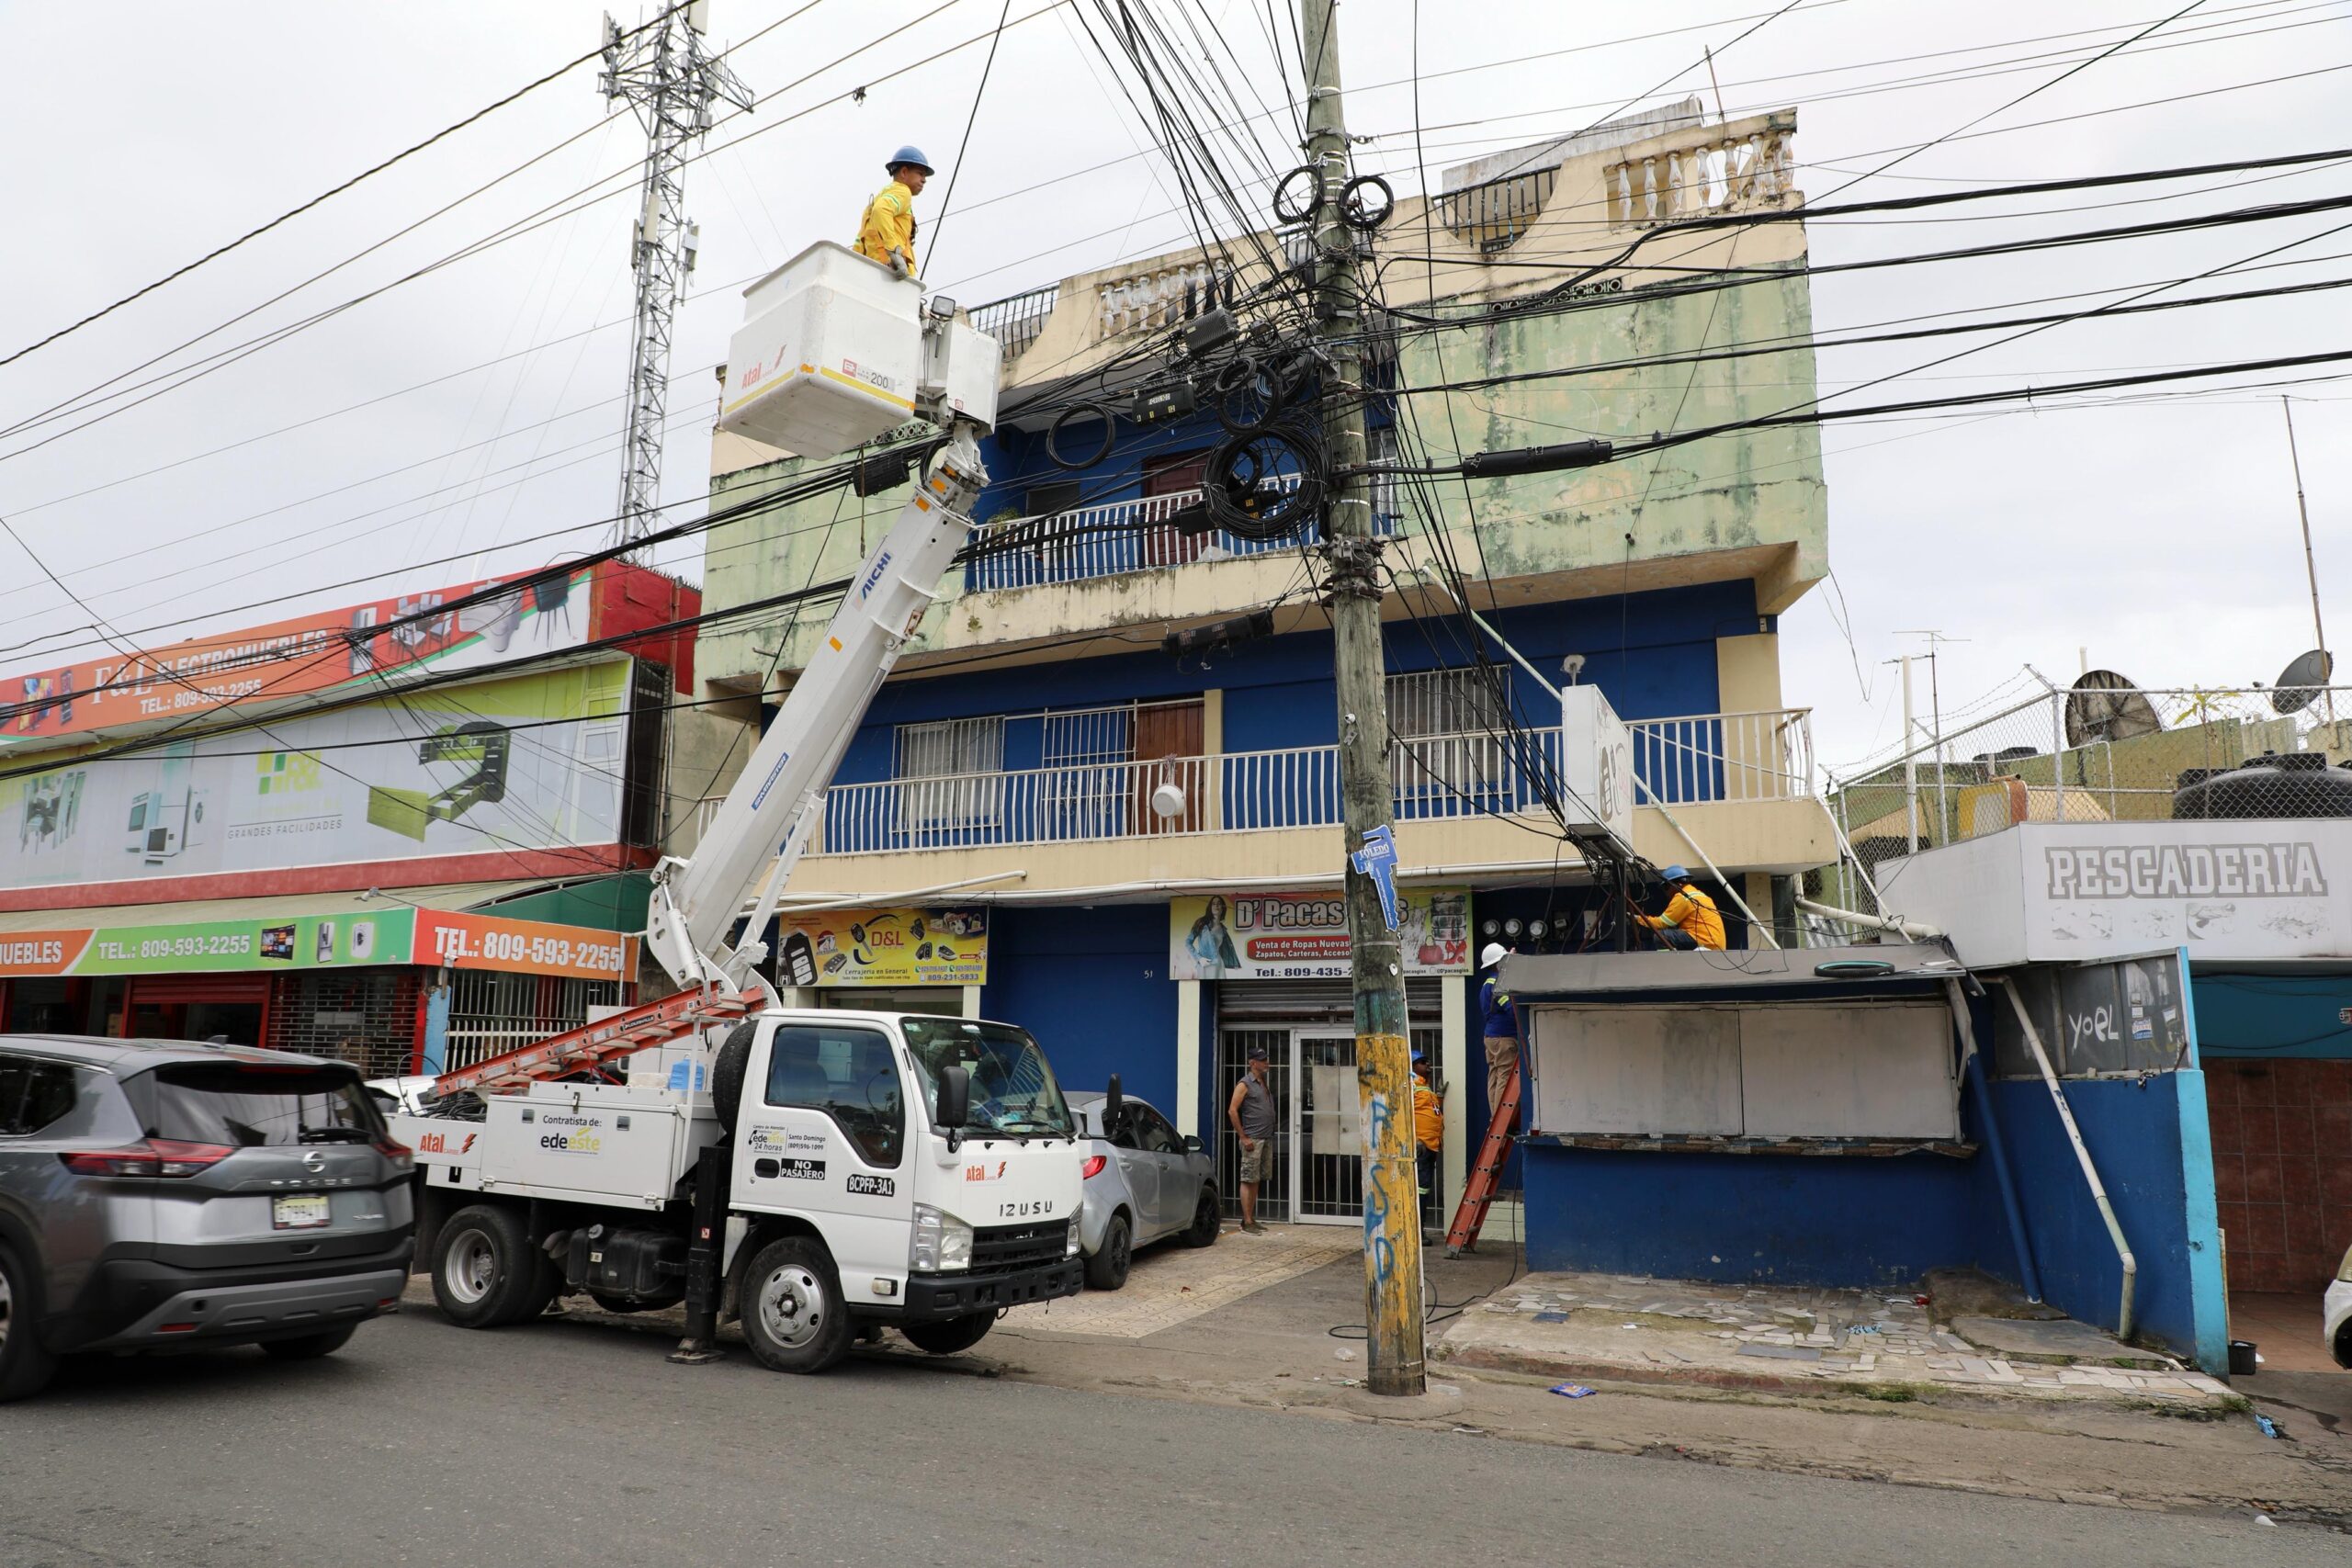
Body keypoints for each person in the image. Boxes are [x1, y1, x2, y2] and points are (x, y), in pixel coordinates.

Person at [855, 145, 933, 276]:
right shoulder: (903, 192)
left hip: (873, 271)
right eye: (920, 174)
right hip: (890, 273)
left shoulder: (873, 205)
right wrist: (894, 252)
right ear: (904, 172)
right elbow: (881, 210)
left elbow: (859, 242)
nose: (924, 180)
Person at [1227, 1043, 1275, 1235]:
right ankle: (1246, 1221)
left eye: (1266, 1060)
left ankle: (1251, 1218)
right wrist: (1243, 1136)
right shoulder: (1244, 1084)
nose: (1267, 1063)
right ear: (1253, 1063)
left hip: (1265, 1138)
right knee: (1248, 1179)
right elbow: (1232, 1110)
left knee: (1256, 1179)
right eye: (1263, 1061)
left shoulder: (1262, 1082)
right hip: (1252, 1139)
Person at [1634, 864, 1726, 951]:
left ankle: (1667, 963)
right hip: (1716, 944)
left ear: (1676, 884)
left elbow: (1661, 923)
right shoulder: (1699, 895)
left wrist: (1637, 918)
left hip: (1704, 941)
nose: (1666, 893)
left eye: (1666, 887)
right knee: (1674, 932)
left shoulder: (1683, 897)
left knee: (1662, 936)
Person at [1477, 941, 1519, 1130]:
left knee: (1494, 1076)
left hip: (1491, 1037)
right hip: (1504, 1038)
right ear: (1498, 963)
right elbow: (1511, 1009)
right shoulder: (1499, 984)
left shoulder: (1487, 984)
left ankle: (1494, 1118)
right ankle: (1501, 1119)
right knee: (1504, 1076)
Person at [1410, 1046, 1443, 1216]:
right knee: (1421, 1188)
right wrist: (1414, 1139)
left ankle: (1420, 1229)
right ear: (1413, 1066)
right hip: (1421, 1145)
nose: (1428, 1064)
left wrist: (1440, 1097)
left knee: (1424, 1188)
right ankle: (1419, 1231)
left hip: (1431, 1145)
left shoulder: (1425, 1087)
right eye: (1423, 1062)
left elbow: (1430, 1110)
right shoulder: (1410, 1085)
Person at [1185, 895, 1239, 975]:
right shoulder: (1202, 923)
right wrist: (1199, 958)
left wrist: (1234, 964)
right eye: (1213, 904)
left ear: (1223, 908)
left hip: (1218, 964)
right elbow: (1188, 942)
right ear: (1210, 907)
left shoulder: (1223, 929)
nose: (1216, 905)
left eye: (1219, 903)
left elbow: (1228, 949)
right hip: (1204, 963)